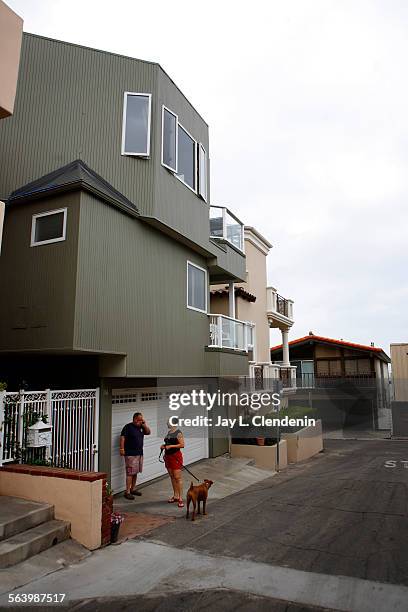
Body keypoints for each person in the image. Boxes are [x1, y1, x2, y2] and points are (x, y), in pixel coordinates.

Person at [120, 412, 151, 500]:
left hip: (139, 453)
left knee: (135, 472)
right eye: (138, 419)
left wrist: (144, 425)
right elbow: (122, 438)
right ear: (134, 419)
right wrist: (122, 449)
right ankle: (127, 492)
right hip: (130, 454)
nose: (140, 421)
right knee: (130, 473)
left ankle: (133, 489)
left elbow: (148, 432)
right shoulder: (128, 427)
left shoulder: (141, 427)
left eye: (141, 420)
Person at [161, 418, 185, 508]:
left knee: (177, 477)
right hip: (168, 457)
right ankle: (175, 496)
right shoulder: (169, 432)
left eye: (168, 422)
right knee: (172, 476)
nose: (166, 423)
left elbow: (182, 445)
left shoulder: (178, 433)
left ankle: (180, 498)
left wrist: (171, 446)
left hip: (176, 457)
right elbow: (168, 443)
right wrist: (164, 446)